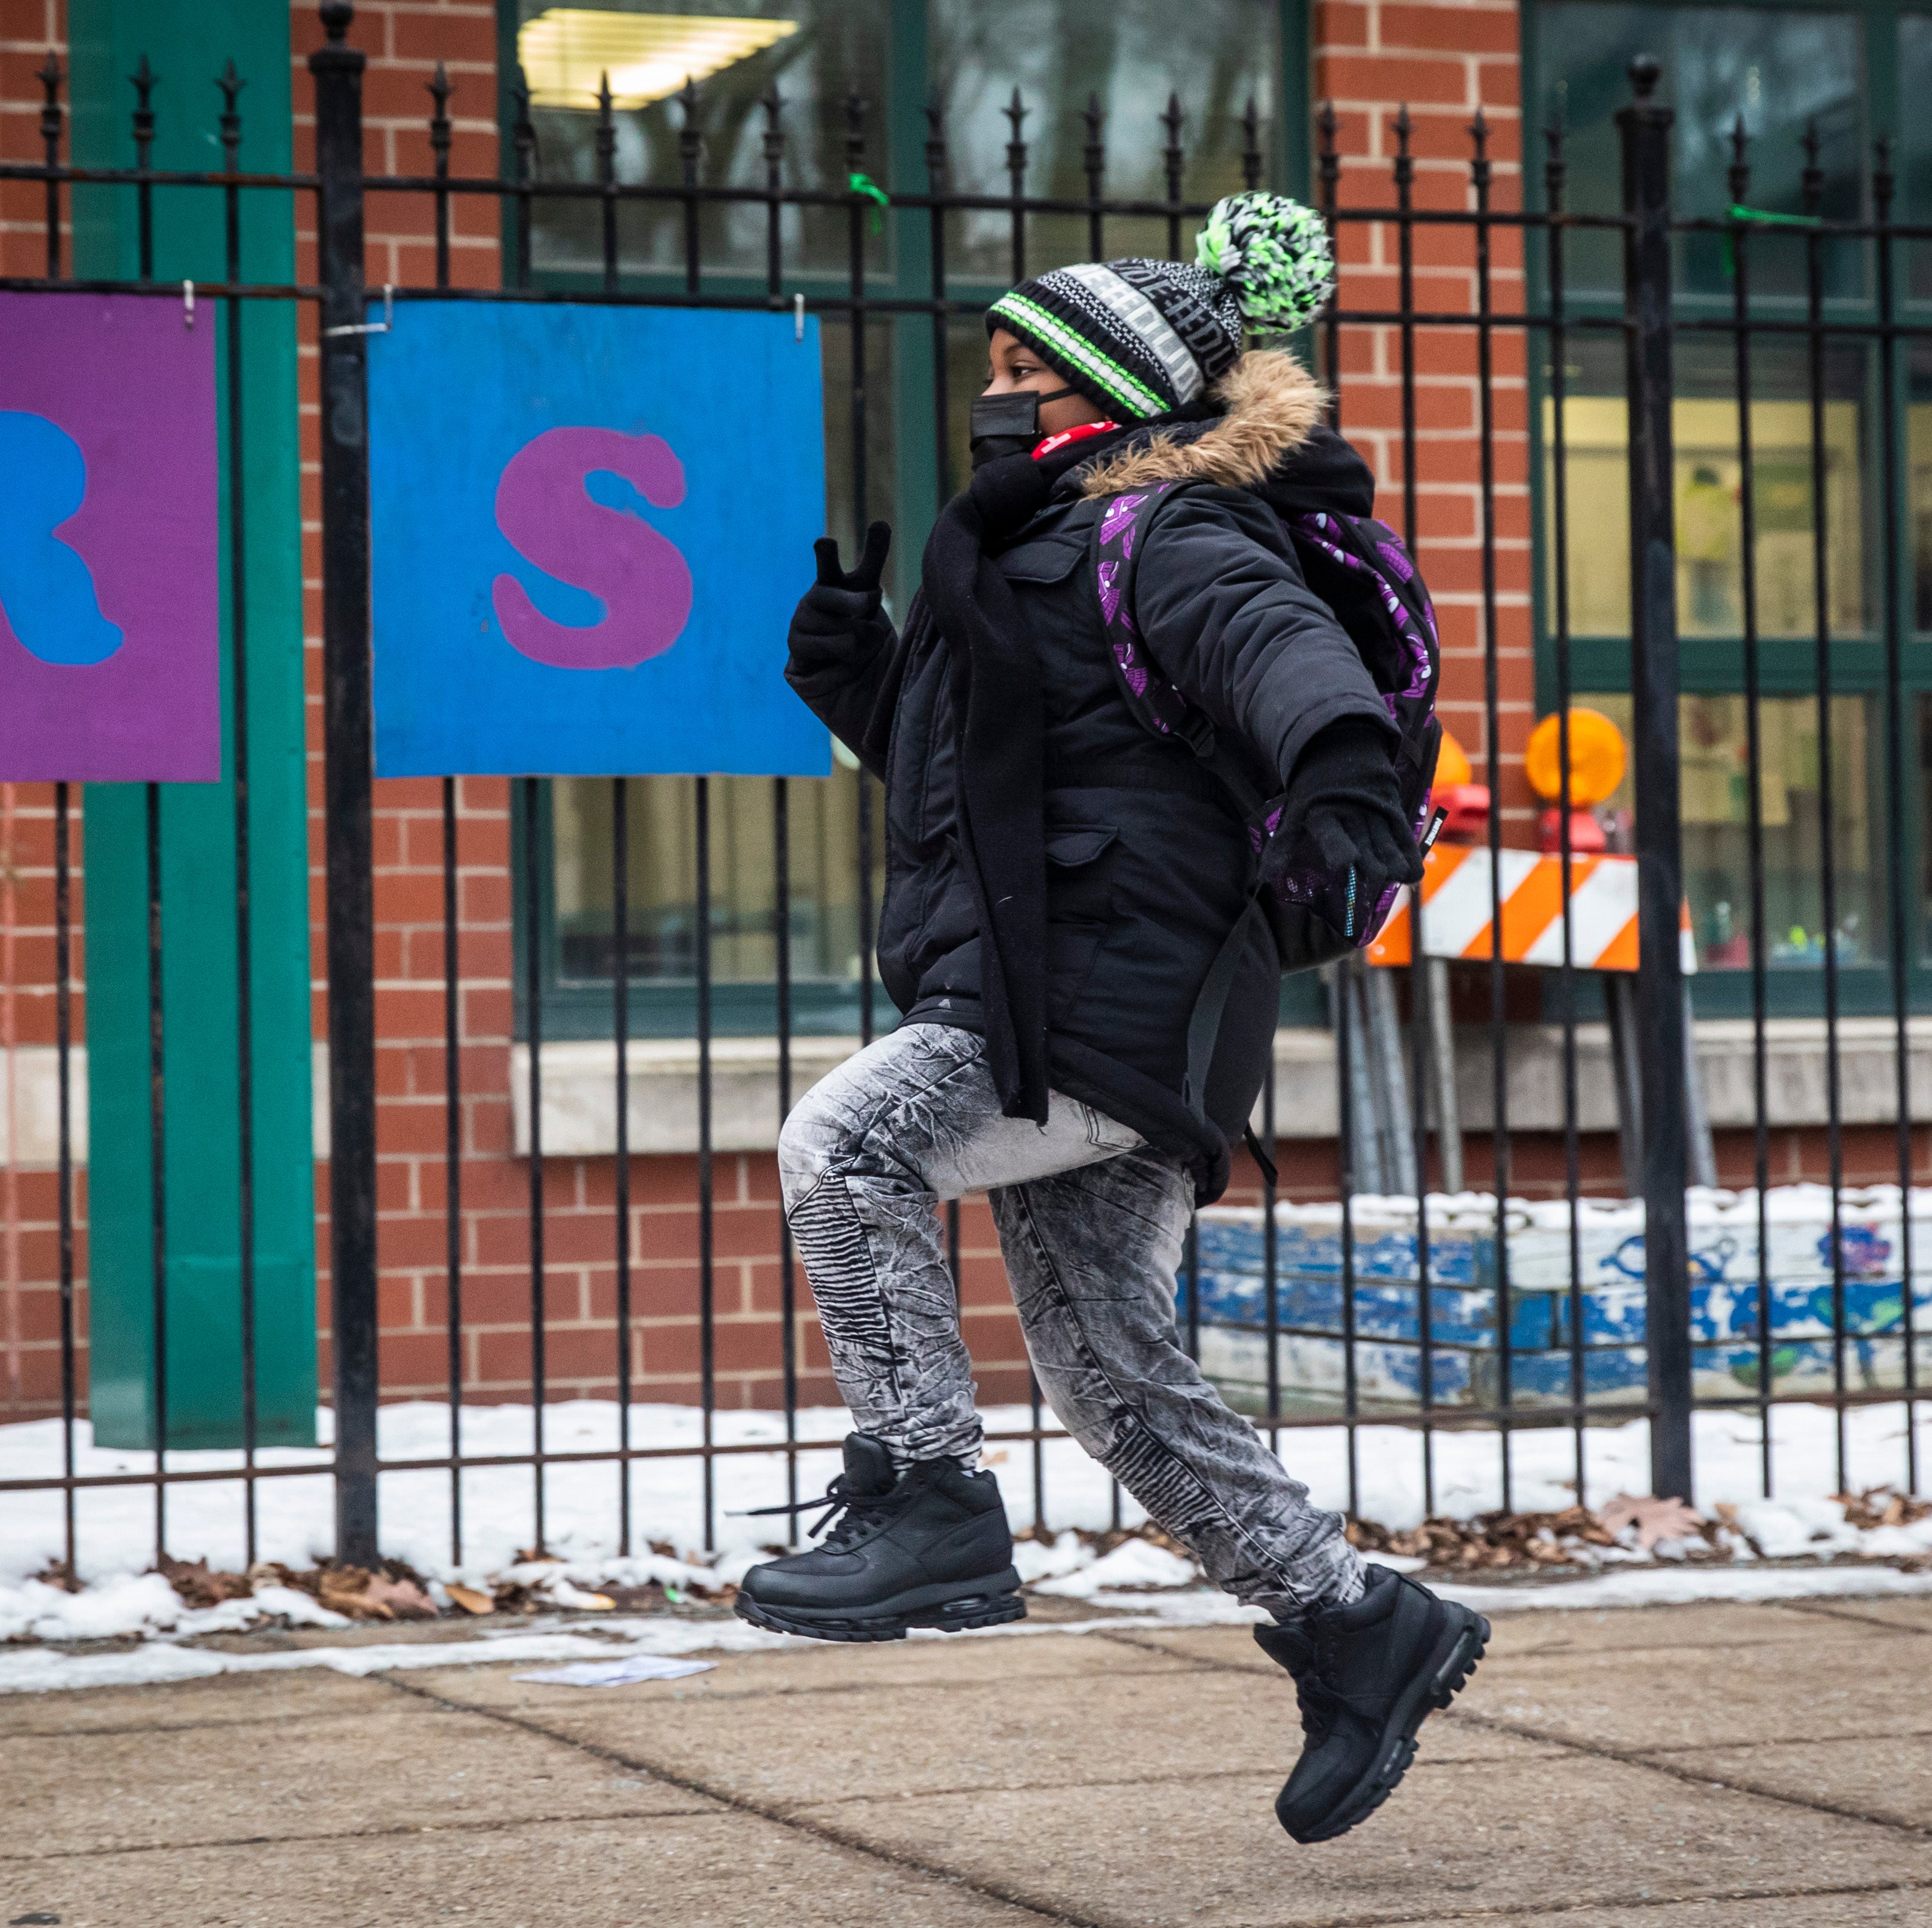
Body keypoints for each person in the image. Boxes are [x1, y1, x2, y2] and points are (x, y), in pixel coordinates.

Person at [746, 192, 1488, 1846]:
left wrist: (1348, 787)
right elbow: (1008, 786)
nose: (989, 389)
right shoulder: (1035, 543)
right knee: (1119, 1381)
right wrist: (861, 683)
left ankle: (929, 1495)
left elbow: (1293, 668)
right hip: (1070, 984)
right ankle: (1359, 1625)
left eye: (1020, 365)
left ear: (1103, 389)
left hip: (1104, 996)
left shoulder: (1169, 532)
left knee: (846, 1140)